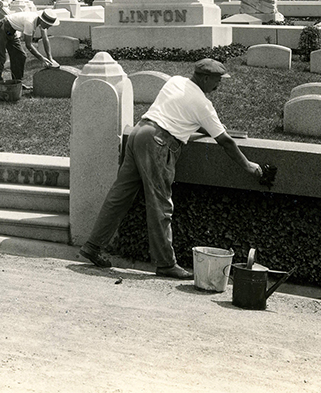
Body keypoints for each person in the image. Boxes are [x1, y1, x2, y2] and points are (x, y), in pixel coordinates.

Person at [78, 58, 263, 279]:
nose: (218, 85)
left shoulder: (176, 81)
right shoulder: (202, 104)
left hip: (140, 132)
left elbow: (179, 116)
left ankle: (93, 246)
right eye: (216, 80)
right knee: (160, 204)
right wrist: (249, 166)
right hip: (158, 143)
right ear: (204, 78)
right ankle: (165, 263)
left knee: (119, 196)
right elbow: (225, 141)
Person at [0, 9, 60, 94]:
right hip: (2, 27)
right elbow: (28, 45)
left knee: (20, 55)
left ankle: (17, 83)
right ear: (42, 20)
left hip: (10, 31)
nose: (48, 27)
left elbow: (45, 39)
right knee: (0, 58)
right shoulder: (30, 23)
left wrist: (50, 58)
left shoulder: (41, 22)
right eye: (48, 25)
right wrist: (41, 58)